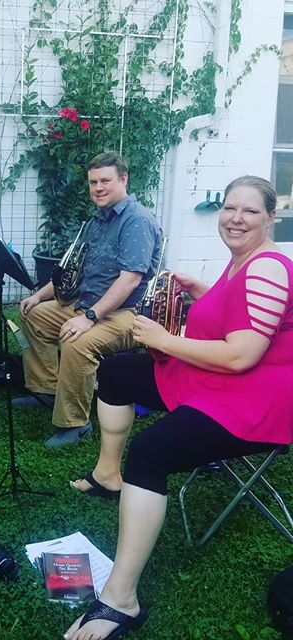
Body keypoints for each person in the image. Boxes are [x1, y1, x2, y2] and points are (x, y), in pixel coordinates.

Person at [65, 176, 293, 640]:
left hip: (255, 399)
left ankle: (121, 599)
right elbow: (241, 316)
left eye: (250, 211)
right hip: (221, 380)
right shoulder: (242, 263)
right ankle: (109, 476)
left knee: (151, 451)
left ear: (272, 217)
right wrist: (204, 291)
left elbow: (242, 353)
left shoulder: (269, 267)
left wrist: (167, 340)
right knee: (117, 372)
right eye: (230, 208)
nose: (236, 218)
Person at [16, 152, 163, 448]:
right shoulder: (99, 220)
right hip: (89, 302)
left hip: (128, 313)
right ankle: (48, 389)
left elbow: (130, 280)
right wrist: (39, 295)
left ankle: (75, 423)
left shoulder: (136, 221)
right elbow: (75, 269)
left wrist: (89, 317)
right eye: (93, 182)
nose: (98, 187)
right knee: (35, 316)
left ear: (123, 179)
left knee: (78, 341)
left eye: (105, 180)